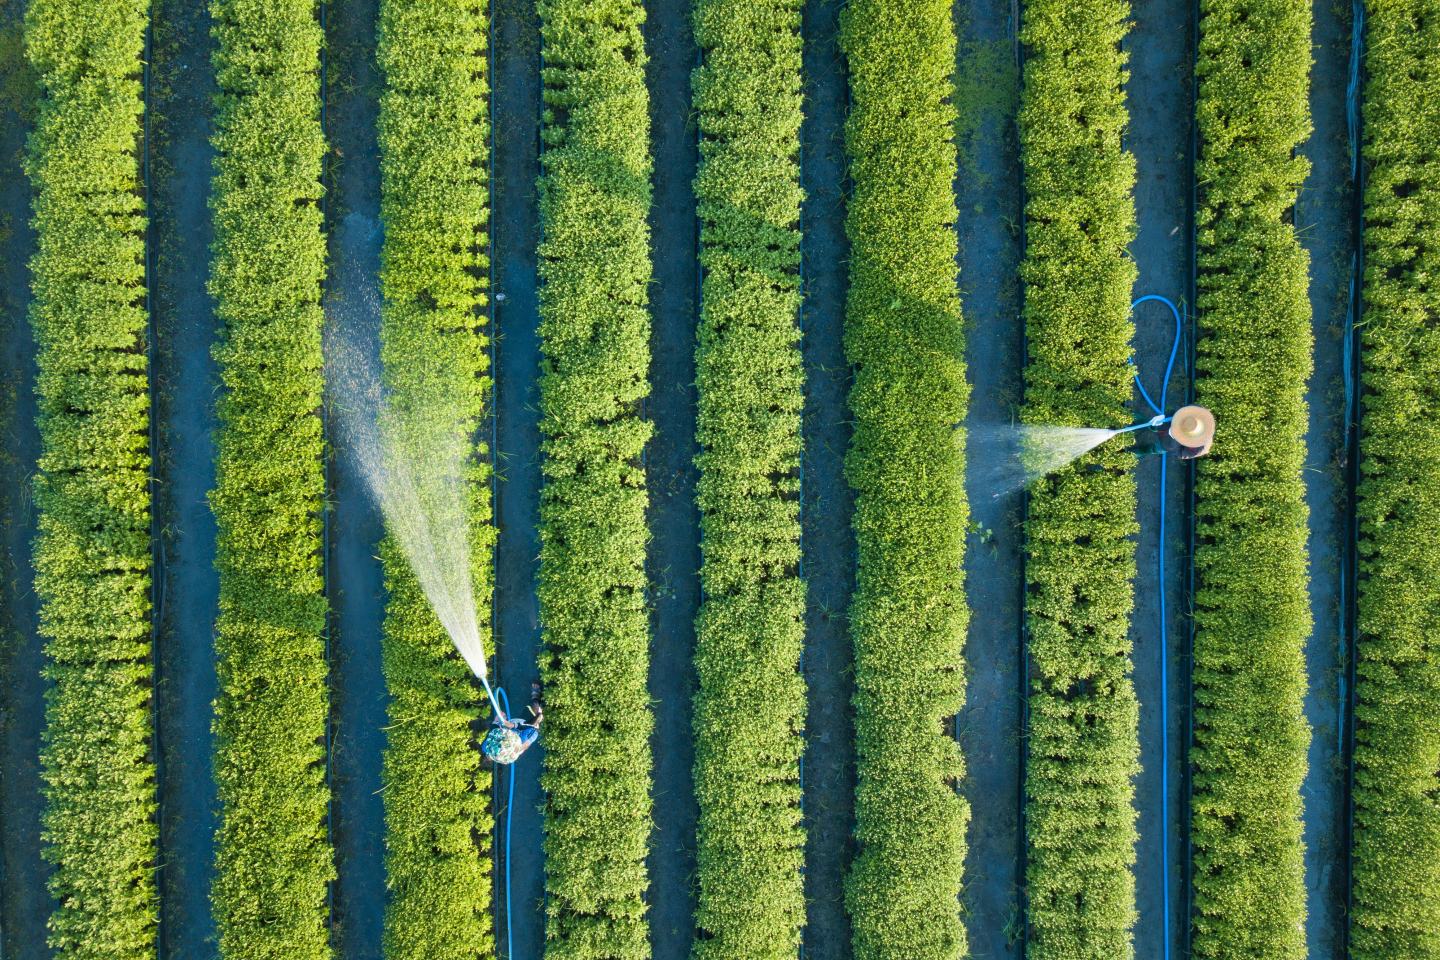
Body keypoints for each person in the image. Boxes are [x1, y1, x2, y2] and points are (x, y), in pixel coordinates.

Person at [1134, 404, 1215, 460]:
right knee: (1153, 423)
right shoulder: (1197, 410)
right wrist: (1164, 417)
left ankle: (1143, 451)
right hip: (1172, 422)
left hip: (1171, 443)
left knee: (1156, 448)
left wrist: (1173, 438)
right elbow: (1179, 411)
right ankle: (1144, 422)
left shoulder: (1199, 449)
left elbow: (1179, 453)